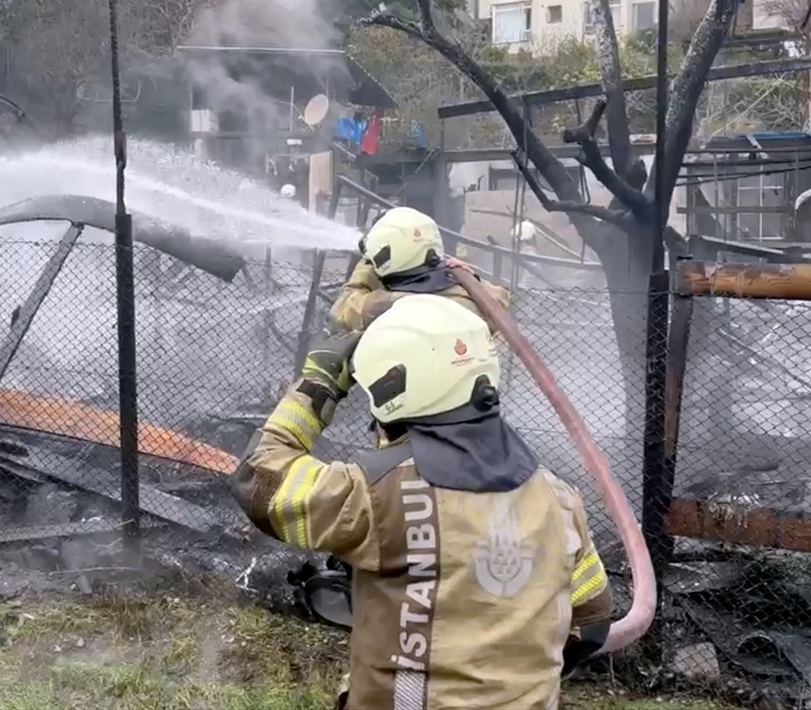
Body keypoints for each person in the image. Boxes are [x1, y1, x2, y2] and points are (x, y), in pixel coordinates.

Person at [231, 294, 613, 710]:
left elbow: (260, 480)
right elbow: (591, 623)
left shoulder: (376, 497)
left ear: (396, 392)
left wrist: (317, 385)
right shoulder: (559, 499)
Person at [329, 206, 511, 336]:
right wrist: (473, 279)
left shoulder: (385, 304)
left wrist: (369, 260)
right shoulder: (466, 300)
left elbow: (342, 311)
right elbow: (500, 299)